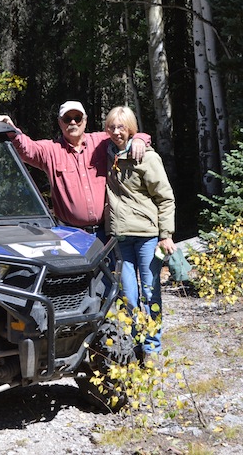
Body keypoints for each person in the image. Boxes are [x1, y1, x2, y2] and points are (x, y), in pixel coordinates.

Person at [0, 101, 150, 242]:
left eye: (78, 118)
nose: (73, 122)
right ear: (60, 123)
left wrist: (139, 139)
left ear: (85, 121)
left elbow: (124, 134)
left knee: (109, 275)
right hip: (70, 234)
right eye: (67, 119)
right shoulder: (50, 150)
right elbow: (27, 149)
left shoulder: (102, 142)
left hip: (106, 233)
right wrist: (11, 130)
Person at [104, 105, 175, 358]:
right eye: (111, 127)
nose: (115, 132)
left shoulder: (147, 157)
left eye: (121, 127)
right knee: (128, 296)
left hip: (147, 236)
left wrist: (166, 234)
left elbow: (165, 198)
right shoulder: (106, 153)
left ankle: (152, 349)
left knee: (150, 291)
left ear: (131, 128)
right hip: (120, 238)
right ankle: (136, 343)